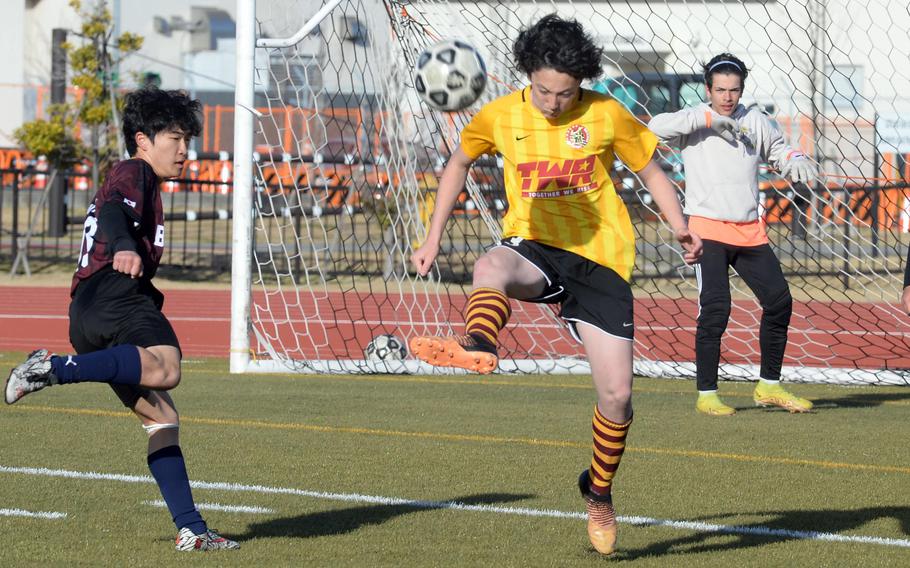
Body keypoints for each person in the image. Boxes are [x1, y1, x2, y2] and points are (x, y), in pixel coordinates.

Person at [408, 15, 702, 555]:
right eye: (543, 90)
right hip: (534, 246)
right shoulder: (500, 116)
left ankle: (598, 491)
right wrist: (431, 238)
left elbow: (653, 170)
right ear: (528, 76)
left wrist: (679, 224)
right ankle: (479, 343)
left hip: (601, 262)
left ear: (581, 83)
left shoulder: (607, 114)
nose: (551, 101)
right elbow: (457, 164)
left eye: (564, 93)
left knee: (617, 396)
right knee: (490, 267)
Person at [4, 87, 239, 552]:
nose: (184, 150)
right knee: (167, 369)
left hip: (87, 310)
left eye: (187, 139)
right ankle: (50, 369)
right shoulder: (135, 171)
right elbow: (113, 212)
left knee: (162, 418)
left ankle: (191, 530)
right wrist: (126, 246)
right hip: (114, 297)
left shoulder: (140, 177)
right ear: (143, 139)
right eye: (175, 138)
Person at [648, 53, 816, 416]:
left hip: (749, 232)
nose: (727, 97)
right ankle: (707, 393)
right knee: (716, 311)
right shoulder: (693, 119)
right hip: (706, 231)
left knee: (779, 303)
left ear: (742, 90)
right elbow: (651, 129)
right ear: (708, 89)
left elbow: (779, 150)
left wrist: (795, 160)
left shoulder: (755, 120)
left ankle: (769, 386)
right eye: (720, 90)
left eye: (734, 90)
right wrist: (707, 117)